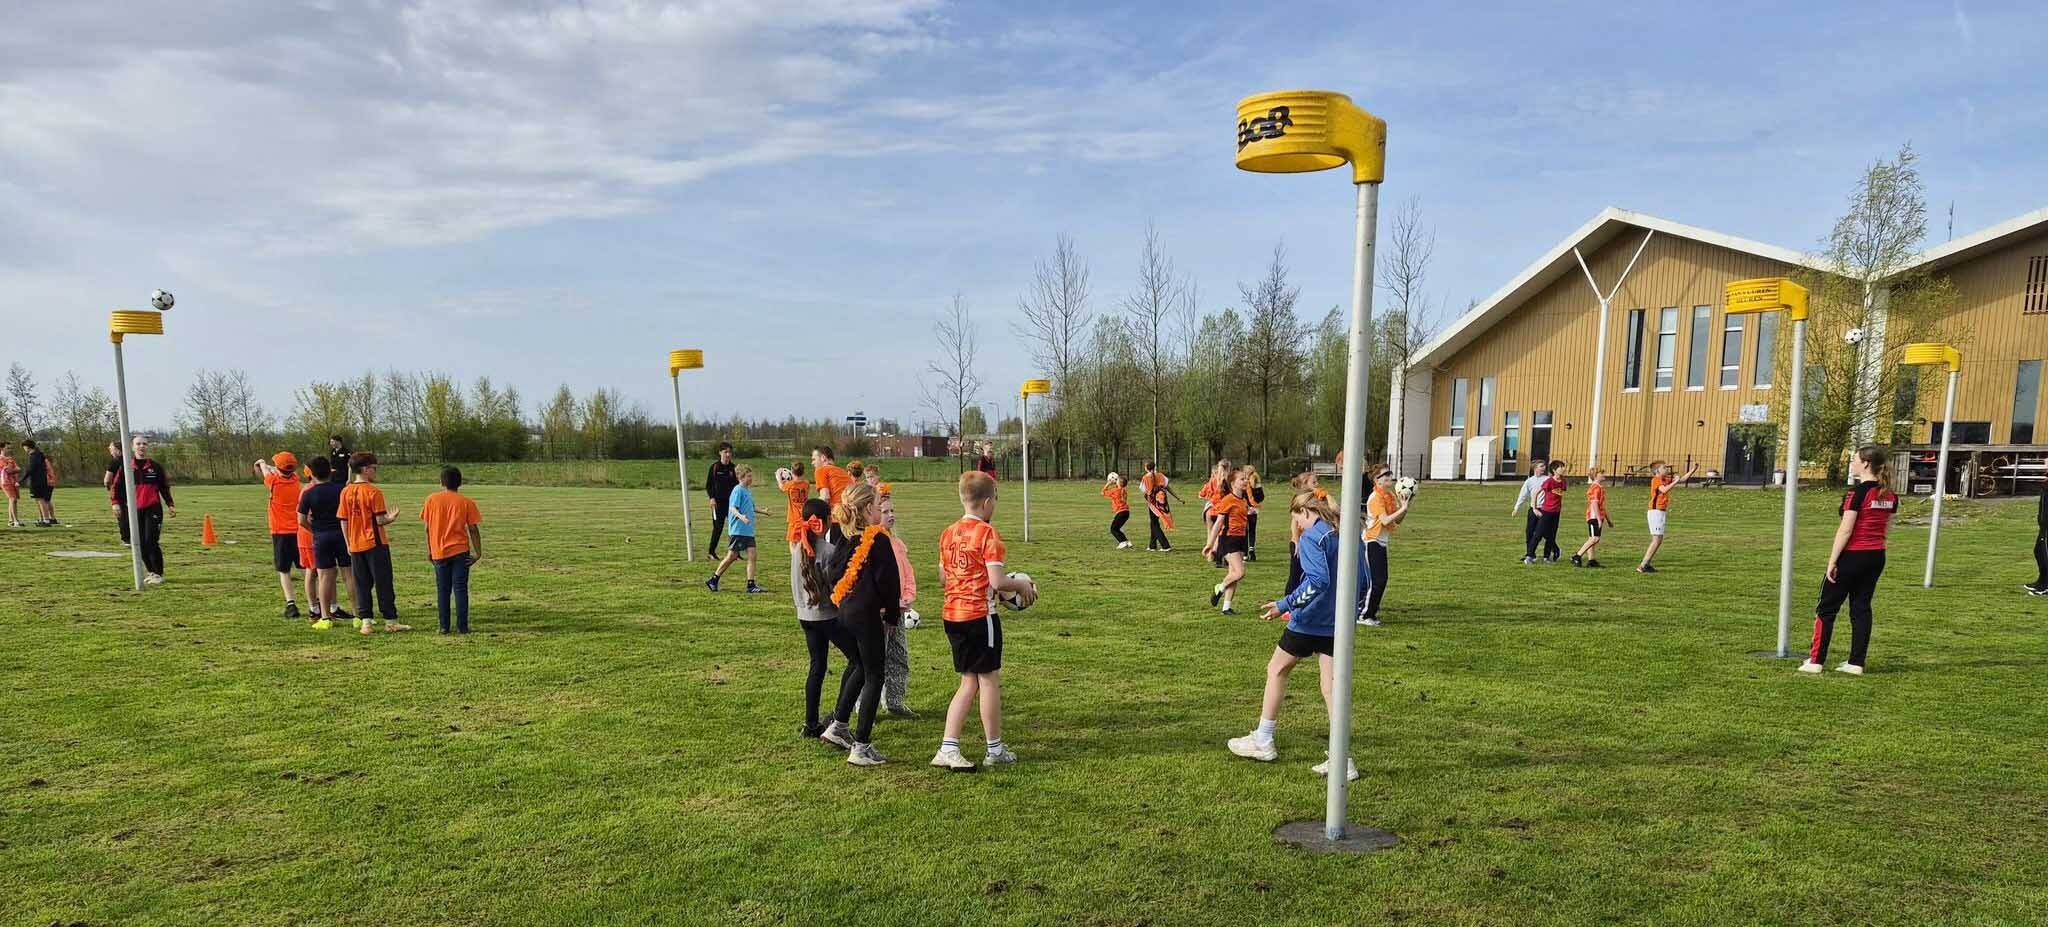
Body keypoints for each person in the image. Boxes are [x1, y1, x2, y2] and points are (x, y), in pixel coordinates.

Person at [1227, 489, 1371, 780]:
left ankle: (1263, 740)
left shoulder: (1313, 537)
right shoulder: (1348, 531)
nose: (1298, 527)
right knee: (1331, 688)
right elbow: (1365, 579)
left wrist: (1285, 604)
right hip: (1339, 624)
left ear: (1305, 512)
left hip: (1309, 622)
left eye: (1297, 520)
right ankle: (1342, 758)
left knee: (1277, 669)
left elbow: (1317, 581)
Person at [929, 471, 1036, 771]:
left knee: (968, 682)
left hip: (952, 615)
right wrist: (1021, 586)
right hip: (979, 616)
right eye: (996, 501)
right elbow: (998, 580)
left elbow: (943, 576)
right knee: (988, 681)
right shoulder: (988, 534)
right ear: (987, 502)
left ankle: (949, 747)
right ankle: (994, 749)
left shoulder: (947, 533)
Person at [818, 481, 902, 767]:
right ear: (868, 509)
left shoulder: (843, 537)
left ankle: (838, 726)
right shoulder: (878, 539)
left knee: (859, 666)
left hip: (843, 613)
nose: (882, 509)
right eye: (879, 505)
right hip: (866, 615)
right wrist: (892, 616)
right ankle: (862, 746)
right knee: (875, 674)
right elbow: (890, 583)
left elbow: (830, 571)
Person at [1800, 446, 1898, 675]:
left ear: (1865, 463)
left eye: (1854, 460)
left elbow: (1845, 530)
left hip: (1853, 555)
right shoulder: (1890, 495)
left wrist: (1832, 561)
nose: (1851, 464)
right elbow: (1887, 527)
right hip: (1876, 556)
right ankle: (1856, 663)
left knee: (1826, 608)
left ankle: (1816, 660)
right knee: (1861, 608)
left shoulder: (1857, 494)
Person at [792, 498, 857, 739]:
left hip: (805, 615)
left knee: (817, 666)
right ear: (827, 522)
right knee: (858, 660)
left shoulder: (798, 549)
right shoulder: (829, 552)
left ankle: (811, 724)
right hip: (826, 616)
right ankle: (839, 715)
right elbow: (836, 587)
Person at [338, 452, 408, 634]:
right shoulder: (373, 492)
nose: (375, 471)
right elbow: (379, 520)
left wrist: (348, 543)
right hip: (375, 544)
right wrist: (391, 518)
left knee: (361, 584)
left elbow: (343, 520)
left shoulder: (346, 491)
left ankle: (366, 622)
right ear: (365, 469)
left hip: (355, 544)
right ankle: (390, 620)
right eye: (374, 468)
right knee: (383, 582)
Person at [420, 466, 484, 634]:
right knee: (460, 589)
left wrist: (430, 549)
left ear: (441, 482)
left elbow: (427, 528)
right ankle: (462, 626)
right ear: (460, 483)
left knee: (443, 589)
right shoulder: (466, 502)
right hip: (460, 550)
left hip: (439, 551)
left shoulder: (431, 500)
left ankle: (443, 626)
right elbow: (473, 529)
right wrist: (478, 552)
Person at [878, 484, 918, 718]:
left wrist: (907, 597)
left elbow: (908, 573)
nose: (891, 515)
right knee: (874, 660)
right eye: (885, 511)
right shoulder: (874, 544)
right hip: (881, 612)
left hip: (900, 609)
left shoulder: (897, 544)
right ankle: (865, 706)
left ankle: (895, 701)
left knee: (899, 655)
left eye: (892, 511)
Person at [298, 457, 350, 630]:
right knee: (348, 575)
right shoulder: (341, 490)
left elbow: (302, 520)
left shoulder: (308, 493)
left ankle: (325, 616)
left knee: (324, 577)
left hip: (321, 537)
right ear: (330, 471)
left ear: (312, 474)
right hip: (342, 535)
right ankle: (360, 615)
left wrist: (315, 530)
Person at [254, 452, 306, 618]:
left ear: (278, 468)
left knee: (284, 571)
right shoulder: (296, 480)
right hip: (299, 530)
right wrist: (273, 468)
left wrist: (262, 463)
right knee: (305, 569)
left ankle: (291, 604)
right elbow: (281, 471)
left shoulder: (273, 481)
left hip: (280, 532)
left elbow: (264, 469)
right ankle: (316, 601)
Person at [1361, 465, 1410, 627]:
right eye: (1386, 474)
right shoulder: (1375, 497)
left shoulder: (1389, 496)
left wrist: (1405, 508)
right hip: (1372, 541)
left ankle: (1371, 613)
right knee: (1377, 580)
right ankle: (1364, 614)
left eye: (1390, 473)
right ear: (1377, 480)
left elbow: (1397, 520)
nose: (1390, 476)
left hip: (1381, 542)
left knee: (1382, 579)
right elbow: (1385, 520)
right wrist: (1402, 508)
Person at [122, 435, 175, 585]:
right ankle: (151, 571)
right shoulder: (126, 467)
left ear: (148, 447)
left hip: (153, 508)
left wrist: (170, 504)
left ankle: (159, 573)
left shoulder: (155, 467)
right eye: (138, 444)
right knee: (139, 542)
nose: (141, 446)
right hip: (133, 510)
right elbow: (117, 488)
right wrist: (116, 503)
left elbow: (164, 487)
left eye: (144, 444)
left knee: (151, 541)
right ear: (132, 447)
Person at [705, 465, 764, 594]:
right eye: (748, 476)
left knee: (752, 556)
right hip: (738, 530)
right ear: (741, 477)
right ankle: (713, 580)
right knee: (731, 556)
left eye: (751, 476)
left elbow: (751, 507)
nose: (751, 478)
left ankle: (751, 585)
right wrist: (741, 517)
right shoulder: (738, 490)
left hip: (748, 530)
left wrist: (763, 512)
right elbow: (732, 508)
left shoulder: (747, 491)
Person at [1204, 468, 1253, 615]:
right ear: (1233, 483)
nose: (1245, 481)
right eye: (1242, 479)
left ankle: (1226, 607)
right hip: (1229, 539)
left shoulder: (1244, 499)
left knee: (1233, 574)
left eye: (1246, 479)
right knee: (1239, 572)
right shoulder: (1227, 500)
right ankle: (1220, 587)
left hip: (1241, 539)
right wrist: (1210, 544)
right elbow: (1218, 523)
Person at [1637, 460, 1700, 574]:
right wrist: (1675, 482)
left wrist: (1693, 469)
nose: (1666, 469)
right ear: (1657, 471)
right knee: (1656, 540)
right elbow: (1664, 490)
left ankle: (1646, 564)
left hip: (1660, 512)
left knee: (1658, 540)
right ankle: (1643, 565)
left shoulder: (1665, 479)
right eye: (1664, 468)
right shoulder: (1656, 480)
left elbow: (1683, 479)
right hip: (1655, 512)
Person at [1572, 468, 1614, 568]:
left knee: (1592, 538)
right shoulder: (1595, 488)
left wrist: (1608, 520)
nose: (1605, 474)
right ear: (1595, 475)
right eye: (1602, 473)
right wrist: (1599, 519)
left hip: (1598, 516)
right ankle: (1577, 556)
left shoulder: (1599, 487)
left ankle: (1591, 560)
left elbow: (1602, 506)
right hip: (1594, 516)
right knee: (1595, 539)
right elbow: (1594, 504)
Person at [704, 442, 739, 558]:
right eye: (726, 452)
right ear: (720, 453)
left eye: (730, 452)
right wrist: (712, 498)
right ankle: (711, 552)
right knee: (718, 528)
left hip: (731, 504)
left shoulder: (733, 468)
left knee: (734, 528)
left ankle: (735, 552)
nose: (728, 454)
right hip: (718, 504)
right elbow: (709, 485)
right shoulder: (714, 467)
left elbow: (737, 486)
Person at [1510, 460, 1549, 564]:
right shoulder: (1530, 481)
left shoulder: (1548, 479)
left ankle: (1554, 550)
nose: (1543, 468)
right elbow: (1523, 495)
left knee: (1543, 533)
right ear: (1535, 468)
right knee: (1529, 532)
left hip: (1544, 510)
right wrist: (1516, 508)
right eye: (1541, 466)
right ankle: (1530, 554)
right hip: (1533, 509)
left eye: (1544, 466)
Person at [1529, 460, 1567, 564]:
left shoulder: (1563, 482)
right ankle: (1530, 556)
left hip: (1556, 512)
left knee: (1552, 535)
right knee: (1538, 534)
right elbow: (1535, 493)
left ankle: (1547, 557)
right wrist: (1535, 508)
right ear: (1554, 470)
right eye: (1561, 467)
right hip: (1546, 512)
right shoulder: (1549, 482)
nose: (1563, 469)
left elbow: (1559, 494)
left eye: (1563, 467)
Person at [1141, 461, 1180, 552]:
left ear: (1146, 468)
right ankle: (1152, 545)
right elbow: (1167, 487)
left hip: (1153, 503)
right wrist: (1177, 497)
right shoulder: (1161, 476)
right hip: (1162, 501)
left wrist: (1148, 499)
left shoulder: (1145, 477)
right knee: (1153, 522)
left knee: (1154, 524)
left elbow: (1145, 491)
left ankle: (1165, 545)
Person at [1199, 459, 1232, 567]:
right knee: (1220, 534)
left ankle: (1210, 554)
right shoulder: (1229, 480)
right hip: (1221, 510)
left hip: (1210, 510)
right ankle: (1215, 551)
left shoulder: (1213, 479)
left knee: (1210, 533)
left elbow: (1204, 493)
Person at [24, 439, 56, 527]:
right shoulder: (41, 455)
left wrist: (22, 479)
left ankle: (46, 519)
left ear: (28, 447)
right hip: (46, 480)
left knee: (42, 500)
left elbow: (32, 469)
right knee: (44, 500)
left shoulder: (35, 456)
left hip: (43, 481)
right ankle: (47, 519)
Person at [103, 442, 129, 544]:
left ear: (118, 450)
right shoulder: (131, 460)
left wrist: (108, 487)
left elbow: (107, 479)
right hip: (134, 491)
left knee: (121, 516)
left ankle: (126, 539)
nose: (109, 449)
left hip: (119, 492)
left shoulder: (114, 462)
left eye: (111, 447)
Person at [1102, 472, 1132, 549]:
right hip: (1126, 512)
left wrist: (1108, 483)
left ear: (1119, 483)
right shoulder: (1124, 490)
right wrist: (1116, 484)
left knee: (1113, 529)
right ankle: (1127, 542)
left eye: (1117, 480)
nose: (1116, 480)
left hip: (1120, 512)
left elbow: (1103, 492)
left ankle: (1122, 542)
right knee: (1117, 528)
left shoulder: (1115, 491)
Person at [2030, 480, 2048, 596]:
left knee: (2044, 553)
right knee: (2038, 551)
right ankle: (2042, 581)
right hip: (2044, 524)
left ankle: (2046, 585)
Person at [1244, 467, 1266, 562]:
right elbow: (1261, 497)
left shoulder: (1244, 483)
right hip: (1254, 510)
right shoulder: (1257, 483)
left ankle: (1244, 554)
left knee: (1244, 531)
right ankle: (1252, 551)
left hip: (1244, 510)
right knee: (1252, 531)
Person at [0, 441, 20, 528]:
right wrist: (14, 469)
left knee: (13, 501)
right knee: (12, 499)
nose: (9, 450)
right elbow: (8, 471)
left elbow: (18, 468)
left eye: (10, 448)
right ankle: (16, 521)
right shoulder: (1, 459)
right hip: (5, 481)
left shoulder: (10, 459)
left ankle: (11, 521)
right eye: (8, 448)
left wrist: (14, 469)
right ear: (2, 449)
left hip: (13, 481)